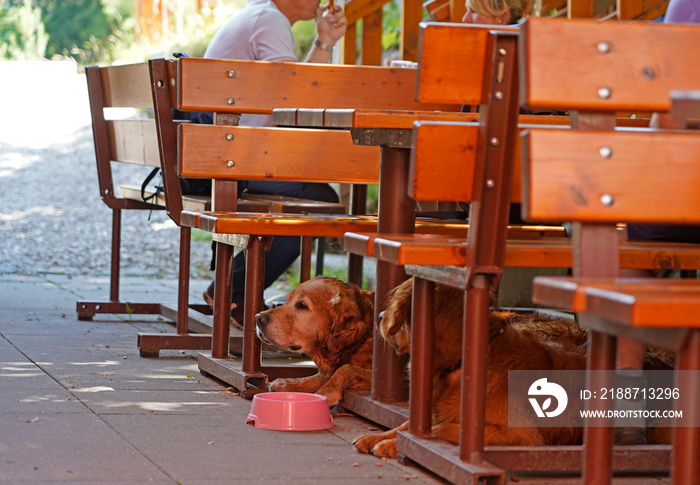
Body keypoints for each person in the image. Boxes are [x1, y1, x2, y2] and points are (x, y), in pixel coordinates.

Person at [195, 0, 348, 326]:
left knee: (312, 198)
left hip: (227, 154)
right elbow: (296, 101)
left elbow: (293, 93)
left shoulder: (261, 15)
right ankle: (234, 291)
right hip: (235, 160)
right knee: (315, 202)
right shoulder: (271, 20)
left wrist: (325, 41)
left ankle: (234, 288)